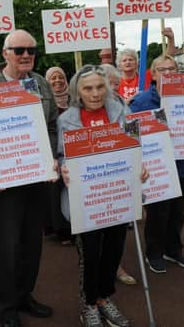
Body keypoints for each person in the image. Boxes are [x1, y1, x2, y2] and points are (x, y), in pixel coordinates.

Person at [0, 29, 58, 327]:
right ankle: (6, 307)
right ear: (6, 52)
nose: (25, 55)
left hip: (36, 176)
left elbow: (53, 125)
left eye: (31, 50)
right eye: (18, 50)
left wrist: (53, 158)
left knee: (32, 242)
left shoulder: (41, 83)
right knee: (7, 247)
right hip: (4, 181)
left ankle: (24, 296)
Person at [57, 64, 149, 327]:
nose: (95, 93)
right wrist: (64, 168)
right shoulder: (67, 120)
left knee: (114, 248)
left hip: (118, 194)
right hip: (87, 198)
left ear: (107, 88)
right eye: (88, 88)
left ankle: (104, 298)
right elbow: (63, 155)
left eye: (100, 87)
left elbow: (136, 146)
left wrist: (140, 167)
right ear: (78, 92)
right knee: (91, 251)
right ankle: (88, 304)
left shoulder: (122, 112)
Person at [129, 54, 184, 274]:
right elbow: (131, 134)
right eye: (162, 70)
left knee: (178, 212)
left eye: (172, 69)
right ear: (153, 74)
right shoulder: (140, 102)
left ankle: (174, 249)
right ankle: (154, 252)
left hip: (183, 165)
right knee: (158, 213)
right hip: (156, 167)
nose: (168, 74)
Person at [100, 63, 138, 286]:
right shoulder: (84, 106)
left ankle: (116, 265)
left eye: (116, 83)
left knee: (119, 225)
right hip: (97, 174)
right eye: (109, 82)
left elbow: (133, 129)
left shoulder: (122, 102)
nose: (113, 87)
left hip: (120, 169)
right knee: (98, 227)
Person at [44, 66, 72, 245]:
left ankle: (72, 225)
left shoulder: (74, 99)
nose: (57, 81)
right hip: (53, 150)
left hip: (72, 150)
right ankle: (59, 229)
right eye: (53, 78)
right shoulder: (45, 102)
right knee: (55, 190)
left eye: (60, 77)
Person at [116, 27, 177, 103]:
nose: (128, 62)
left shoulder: (146, 76)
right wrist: (130, 100)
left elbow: (166, 60)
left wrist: (171, 39)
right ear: (119, 65)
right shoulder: (116, 82)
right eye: (124, 60)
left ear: (137, 62)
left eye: (131, 59)